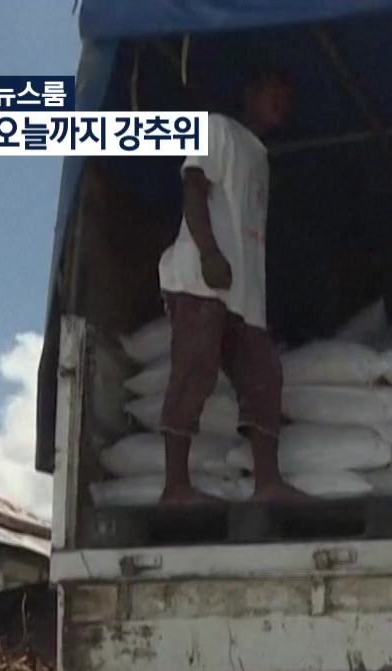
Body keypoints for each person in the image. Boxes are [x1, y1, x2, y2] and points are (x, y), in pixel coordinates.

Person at [154, 68, 301, 504]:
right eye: (272, 90)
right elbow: (194, 189)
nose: (280, 101)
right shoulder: (217, 128)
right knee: (194, 370)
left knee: (264, 375)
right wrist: (209, 253)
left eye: (286, 96)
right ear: (249, 92)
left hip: (243, 296)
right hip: (202, 280)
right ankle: (175, 486)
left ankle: (267, 482)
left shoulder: (260, 156)